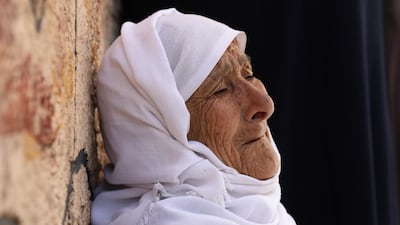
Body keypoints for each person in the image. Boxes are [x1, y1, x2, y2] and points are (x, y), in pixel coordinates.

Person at [91, 8, 296, 225]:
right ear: (163, 131)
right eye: (219, 90)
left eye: (248, 74)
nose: (265, 104)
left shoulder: (260, 210)